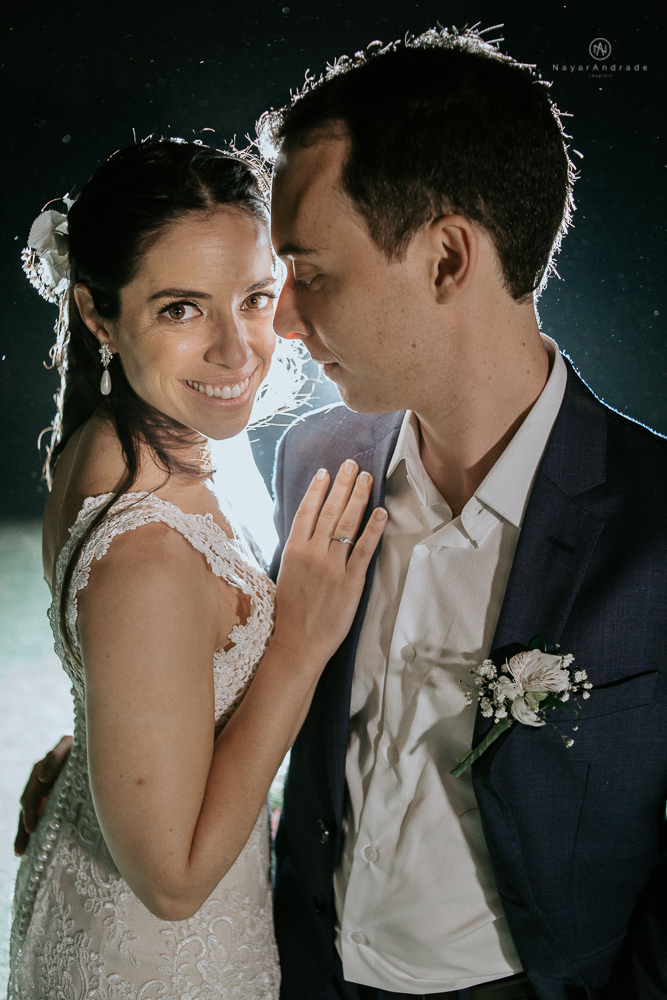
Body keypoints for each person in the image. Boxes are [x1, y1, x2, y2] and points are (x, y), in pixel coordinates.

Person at [259, 27, 667, 1000]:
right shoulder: (311, 459)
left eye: (310, 271)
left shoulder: (654, 525)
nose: (280, 319)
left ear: (446, 257)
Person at [8, 137, 386, 1000]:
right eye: (181, 309)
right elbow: (173, 882)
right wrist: (299, 642)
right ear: (98, 315)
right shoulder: (148, 553)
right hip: (160, 960)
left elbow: (142, 667)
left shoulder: (112, 439)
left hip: (89, 873)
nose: (236, 350)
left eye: (254, 298)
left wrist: (107, 748)